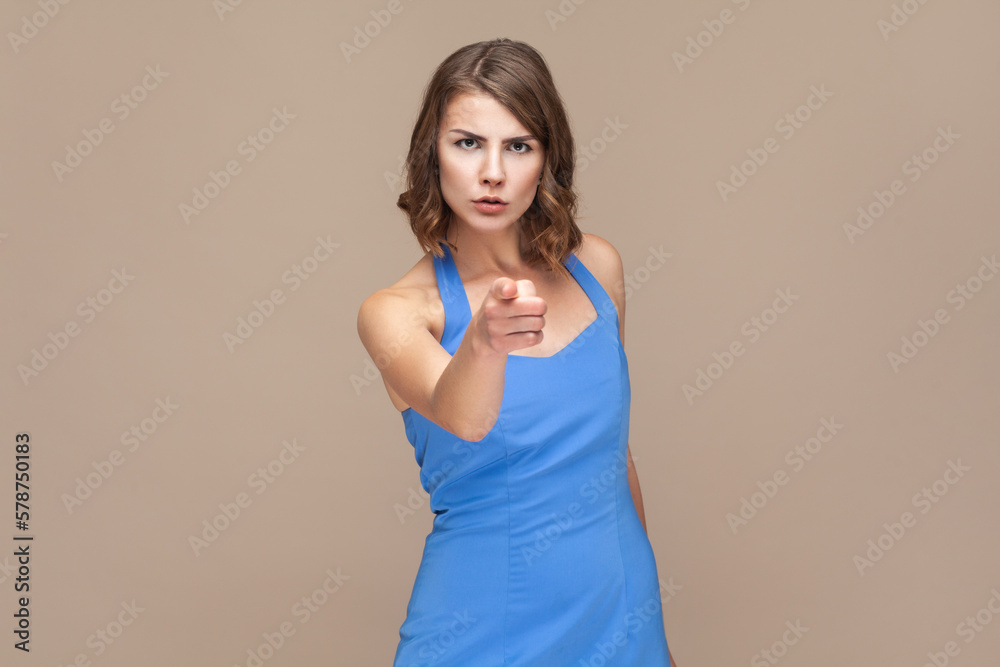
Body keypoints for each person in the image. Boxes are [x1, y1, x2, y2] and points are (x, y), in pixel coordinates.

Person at [357, 38, 677, 666]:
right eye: (468, 142)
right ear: (433, 154)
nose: (493, 172)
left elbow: (614, 456)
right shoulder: (397, 311)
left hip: (618, 611)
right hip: (481, 627)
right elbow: (464, 416)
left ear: (547, 159)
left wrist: (648, 620)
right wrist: (483, 341)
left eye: (519, 146)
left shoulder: (598, 266)